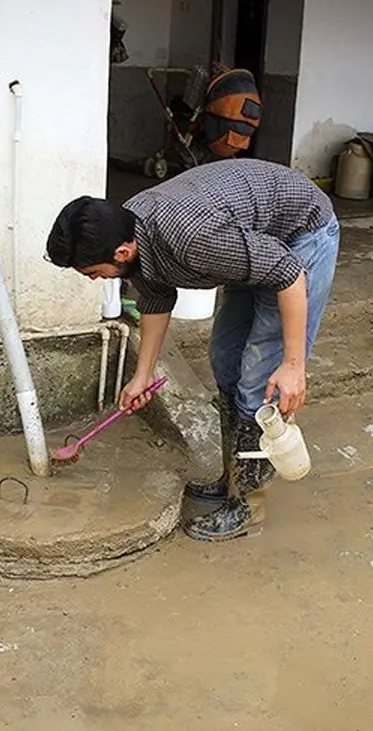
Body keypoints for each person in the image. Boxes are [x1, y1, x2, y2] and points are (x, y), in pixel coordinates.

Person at [45, 158, 339, 542]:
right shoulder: (132, 230)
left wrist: (293, 365)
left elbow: (286, 273)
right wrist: (142, 375)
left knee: (258, 382)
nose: (94, 280)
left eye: (93, 272)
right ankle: (233, 477)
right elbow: (155, 298)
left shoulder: (192, 239)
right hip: (253, 242)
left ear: (120, 252)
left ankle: (248, 505)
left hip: (300, 238)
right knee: (225, 359)